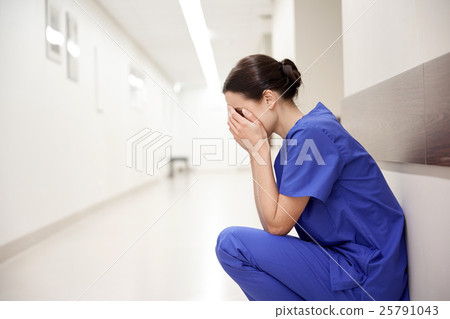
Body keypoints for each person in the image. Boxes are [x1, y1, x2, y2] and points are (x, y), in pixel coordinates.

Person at [215, 54, 409, 301]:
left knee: (231, 245)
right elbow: (271, 222)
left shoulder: (312, 136)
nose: (237, 123)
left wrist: (257, 150)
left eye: (240, 112)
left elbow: (276, 225)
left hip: (366, 276)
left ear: (268, 98)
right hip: (350, 264)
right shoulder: (298, 141)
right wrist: (258, 151)